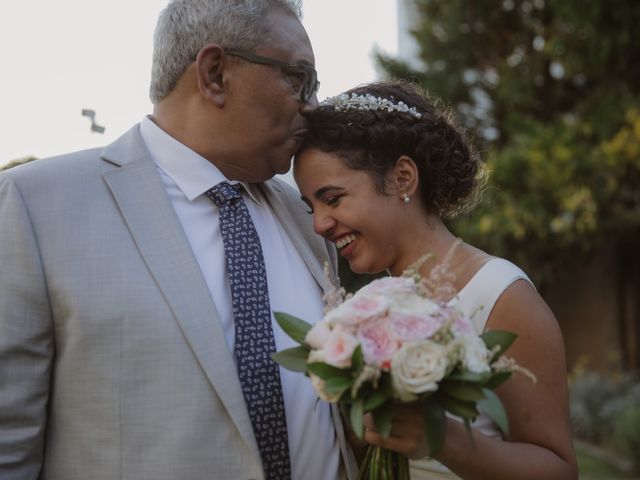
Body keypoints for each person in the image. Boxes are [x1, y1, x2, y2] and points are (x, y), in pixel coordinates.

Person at [0, 1, 358, 479]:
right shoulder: (36, 205)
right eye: (300, 79)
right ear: (214, 74)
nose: (313, 106)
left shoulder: (305, 216)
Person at [293, 80, 578, 479]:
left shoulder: (500, 295)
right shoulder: (363, 310)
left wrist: (445, 440)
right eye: (311, 208)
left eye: (334, 199)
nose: (320, 224)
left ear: (403, 178)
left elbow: (559, 470)